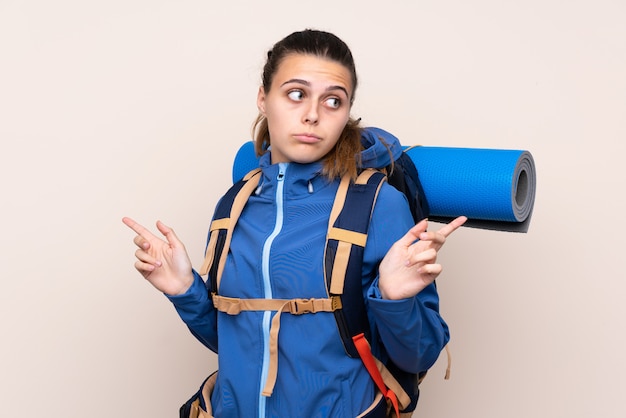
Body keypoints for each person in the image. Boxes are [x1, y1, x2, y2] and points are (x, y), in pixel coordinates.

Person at [123, 29, 466, 417]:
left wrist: (394, 301)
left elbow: (419, 354)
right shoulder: (235, 204)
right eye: (296, 93)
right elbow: (237, 344)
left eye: (333, 101)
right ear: (263, 99)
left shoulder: (378, 204)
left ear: (346, 111)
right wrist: (186, 290)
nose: (312, 114)